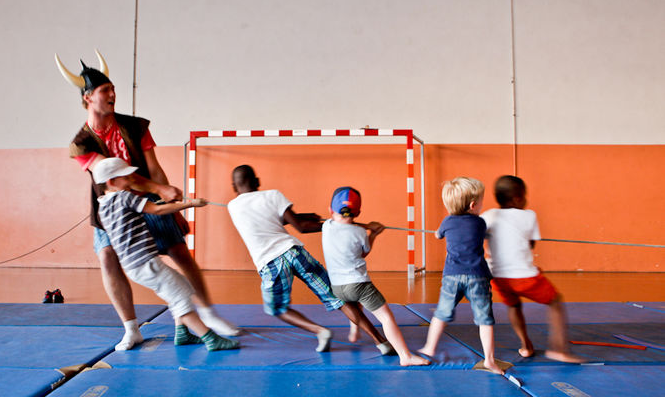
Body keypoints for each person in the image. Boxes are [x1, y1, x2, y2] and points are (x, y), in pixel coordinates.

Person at [55, 50, 239, 351]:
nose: (113, 93)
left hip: (149, 199)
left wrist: (170, 200)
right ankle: (131, 328)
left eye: (113, 88)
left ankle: (207, 314)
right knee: (107, 258)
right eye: (105, 90)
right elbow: (117, 178)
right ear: (88, 97)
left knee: (179, 251)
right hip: (113, 209)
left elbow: (153, 167)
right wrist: (161, 190)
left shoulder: (136, 126)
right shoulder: (81, 144)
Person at [227, 165, 388, 352]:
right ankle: (380, 341)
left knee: (277, 308)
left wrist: (307, 217)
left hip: (270, 263)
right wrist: (339, 224)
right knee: (337, 298)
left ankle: (320, 331)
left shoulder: (232, 206)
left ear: (234, 187)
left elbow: (269, 218)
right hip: (294, 252)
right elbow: (300, 226)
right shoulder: (273, 195)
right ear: (257, 181)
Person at [91, 157, 239, 351]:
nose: (130, 181)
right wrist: (191, 204)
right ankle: (210, 338)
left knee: (183, 287)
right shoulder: (124, 197)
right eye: (126, 177)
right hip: (146, 263)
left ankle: (183, 333)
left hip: (134, 266)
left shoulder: (103, 206)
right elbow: (157, 210)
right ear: (111, 181)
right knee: (180, 297)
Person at [321, 187, 430, 366]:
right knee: (386, 317)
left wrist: (366, 226)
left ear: (330, 210)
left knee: (353, 303)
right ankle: (405, 356)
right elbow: (365, 252)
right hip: (359, 285)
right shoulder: (360, 233)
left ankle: (354, 331)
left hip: (337, 287)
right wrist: (374, 233)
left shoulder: (326, 226)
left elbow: (342, 223)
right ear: (358, 212)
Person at [481, 175, 581, 363]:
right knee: (555, 303)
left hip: (497, 276)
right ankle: (558, 349)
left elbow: (478, 235)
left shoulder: (488, 215)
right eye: (525, 196)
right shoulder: (529, 215)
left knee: (513, 305)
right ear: (518, 198)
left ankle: (526, 346)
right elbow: (532, 244)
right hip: (523, 276)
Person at [418, 177, 504, 374]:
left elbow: (438, 235)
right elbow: (478, 234)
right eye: (481, 201)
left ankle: (430, 347)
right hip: (478, 277)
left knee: (441, 314)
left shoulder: (447, 221)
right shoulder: (480, 223)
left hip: (452, 276)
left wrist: (439, 232)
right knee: (485, 319)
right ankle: (489, 360)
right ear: (473, 205)